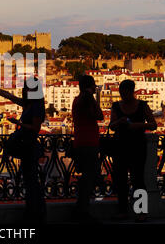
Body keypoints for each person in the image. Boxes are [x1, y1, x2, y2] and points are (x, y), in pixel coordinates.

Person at [0, 76, 46, 223]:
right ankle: (33, 211)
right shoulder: (29, 104)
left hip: (30, 146)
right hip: (26, 146)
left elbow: (36, 128)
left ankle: (36, 213)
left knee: (31, 181)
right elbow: (9, 96)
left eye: (28, 88)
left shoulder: (37, 106)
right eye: (25, 87)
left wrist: (18, 123)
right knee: (29, 180)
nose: (25, 90)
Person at [109, 79, 157, 222]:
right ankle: (124, 211)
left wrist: (137, 126)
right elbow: (111, 125)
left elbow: (153, 124)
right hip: (121, 146)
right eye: (121, 93)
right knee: (121, 180)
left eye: (125, 93)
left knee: (138, 179)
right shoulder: (116, 106)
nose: (123, 96)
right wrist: (119, 122)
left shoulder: (142, 105)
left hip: (137, 146)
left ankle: (141, 212)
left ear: (132, 92)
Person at [71, 75, 103, 223]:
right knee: (91, 177)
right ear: (91, 86)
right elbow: (100, 115)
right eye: (94, 85)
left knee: (87, 177)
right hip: (89, 143)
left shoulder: (76, 100)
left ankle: (81, 208)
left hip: (79, 142)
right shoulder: (88, 100)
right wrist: (94, 97)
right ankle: (82, 210)